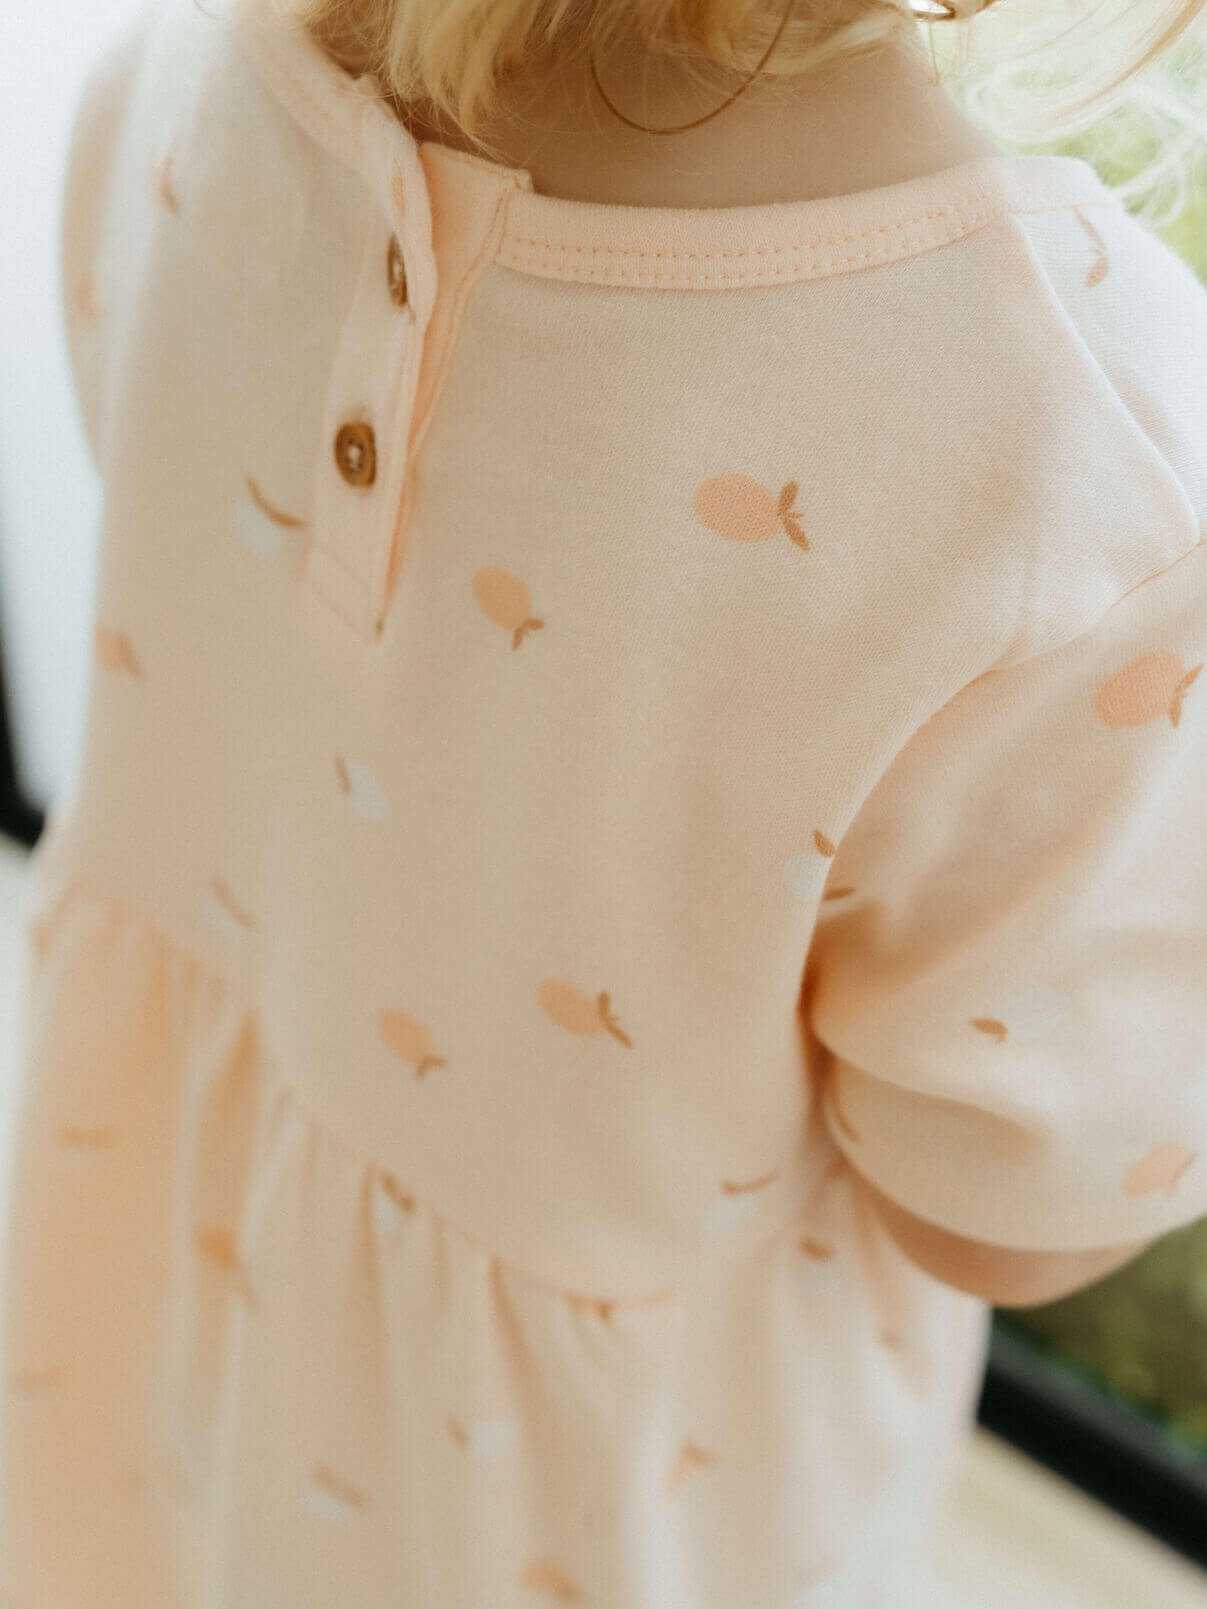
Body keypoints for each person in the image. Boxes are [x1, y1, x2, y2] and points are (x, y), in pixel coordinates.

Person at [3, 0, 1206, 1602]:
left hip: (154, 1336)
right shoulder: (1065, 460)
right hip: (611, 1522)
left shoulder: (181, 82)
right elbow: (1007, 1211)